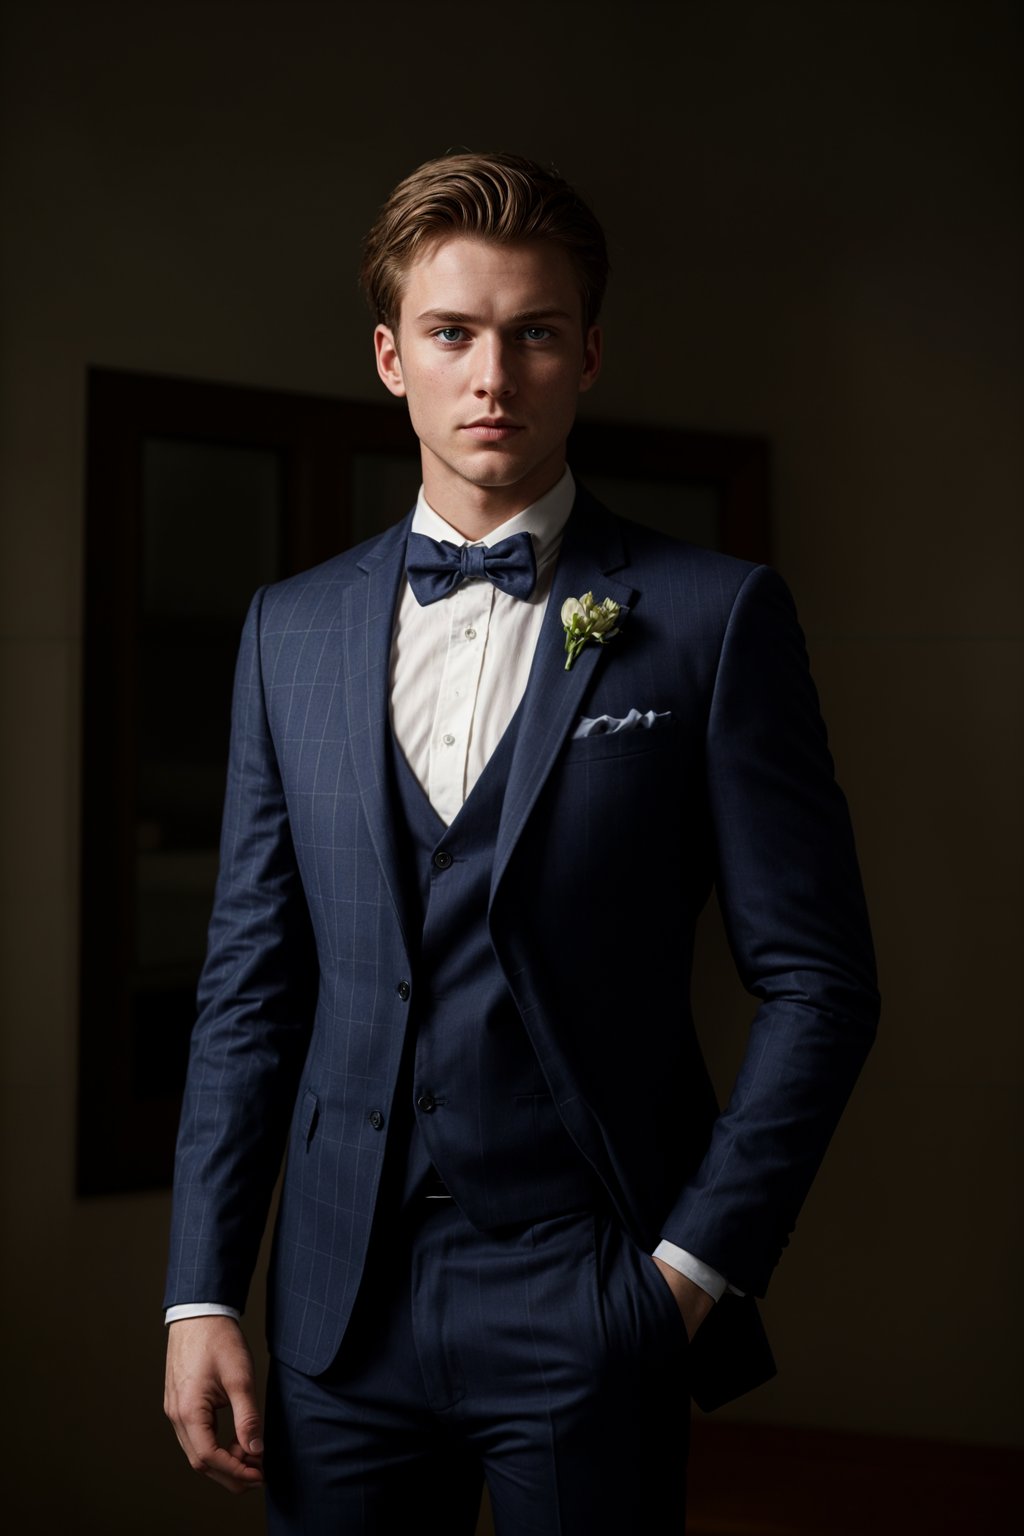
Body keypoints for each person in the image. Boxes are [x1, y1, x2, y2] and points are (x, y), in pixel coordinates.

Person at [163, 151, 879, 1533]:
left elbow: (822, 980)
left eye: (535, 333)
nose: (494, 375)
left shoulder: (711, 617)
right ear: (391, 359)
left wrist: (686, 1272)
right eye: (453, 334)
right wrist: (203, 1287)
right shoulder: (286, 630)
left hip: (591, 1292)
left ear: (589, 353)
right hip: (334, 1309)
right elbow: (249, 989)